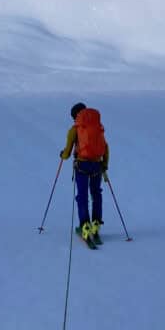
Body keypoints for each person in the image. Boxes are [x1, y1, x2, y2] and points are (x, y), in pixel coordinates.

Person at [60, 102, 109, 245]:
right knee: (96, 193)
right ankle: (95, 226)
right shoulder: (97, 127)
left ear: (75, 116)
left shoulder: (74, 129)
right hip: (97, 165)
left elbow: (67, 153)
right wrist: (104, 165)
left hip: (81, 165)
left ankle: (85, 226)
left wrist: (62, 155)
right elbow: (106, 148)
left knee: (82, 196)